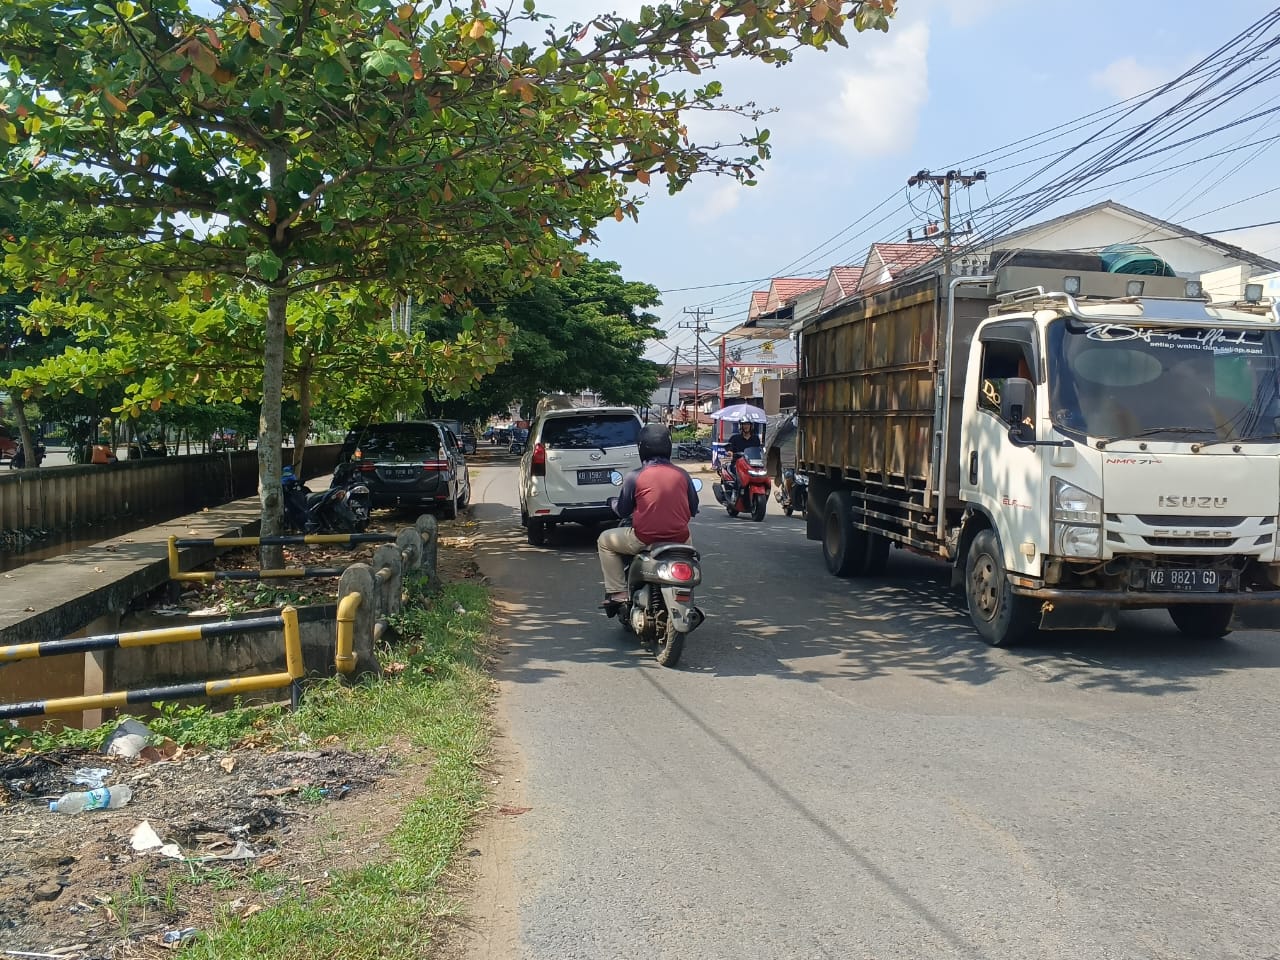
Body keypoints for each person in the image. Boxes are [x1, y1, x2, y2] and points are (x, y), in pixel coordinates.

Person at [598, 424, 700, 605]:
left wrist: (612, 502)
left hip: (644, 539)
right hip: (680, 539)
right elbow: (693, 509)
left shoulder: (634, 477)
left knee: (605, 541)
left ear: (641, 448)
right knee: (689, 547)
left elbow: (623, 511)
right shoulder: (683, 474)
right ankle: (685, 591)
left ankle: (618, 592)